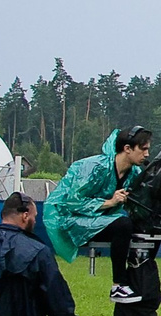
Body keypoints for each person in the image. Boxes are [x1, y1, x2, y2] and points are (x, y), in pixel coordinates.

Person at [42, 126, 153, 304]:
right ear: (127, 148)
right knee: (122, 224)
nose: (147, 154)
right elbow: (72, 201)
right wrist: (109, 202)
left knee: (147, 225)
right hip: (67, 218)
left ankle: (144, 283)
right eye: (143, 149)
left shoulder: (134, 173)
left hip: (97, 218)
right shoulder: (94, 167)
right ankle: (118, 285)